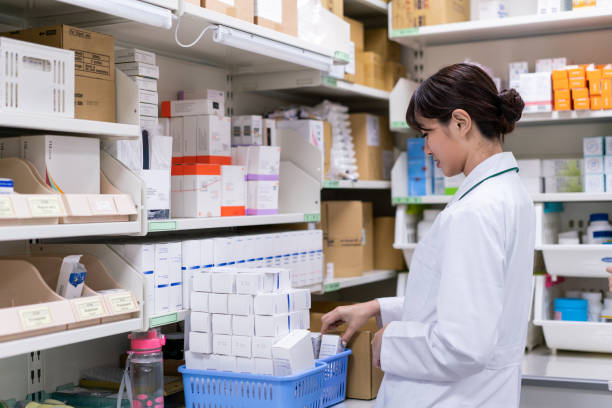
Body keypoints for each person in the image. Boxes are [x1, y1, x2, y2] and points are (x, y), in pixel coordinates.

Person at [321, 63, 535, 407]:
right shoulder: (509, 193)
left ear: (461, 123)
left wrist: (388, 342)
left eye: (427, 133)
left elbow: (463, 345)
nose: (426, 148)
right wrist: (378, 307)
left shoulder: (475, 211)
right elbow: (468, 302)